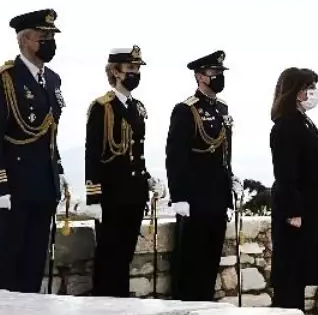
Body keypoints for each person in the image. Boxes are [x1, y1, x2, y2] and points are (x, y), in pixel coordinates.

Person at [0, 8, 69, 293]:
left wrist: (59, 172)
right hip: (13, 187)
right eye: (42, 37)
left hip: (43, 186)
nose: (49, 42)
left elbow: (50, 134)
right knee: (7, 264)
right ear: (23, 41)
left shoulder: (53, 80)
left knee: (33, 265)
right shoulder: (4, 79)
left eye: (51, 37)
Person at [82, 46, 167, 297]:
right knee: (109, 257)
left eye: (138, 69)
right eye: (130, 69)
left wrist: (148, 178)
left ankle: (121, 304)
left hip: (133, 194)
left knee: (125, 257)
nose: (135, 74)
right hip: (111, 196)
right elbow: (93, 153)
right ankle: (105, 307)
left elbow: (134, 152)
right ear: (115, 72)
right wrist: (93, 197)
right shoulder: (102, 107)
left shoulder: (138, 108)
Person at [165, 50, 240, 302]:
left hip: (217, 197)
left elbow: (224, 155)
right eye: (213, 73)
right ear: (199, 76)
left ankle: (206, 308)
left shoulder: (221, 109)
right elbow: (176, 155)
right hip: (194, 199)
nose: (218, 77)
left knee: (210, 260)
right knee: (190, 262)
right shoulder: (186, 110)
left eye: (220, 72)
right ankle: (186, 310)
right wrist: (179, 196)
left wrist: (230, 188)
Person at [269, 67, 318, 315]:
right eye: (309, 87)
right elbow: (286, 173)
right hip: (296, 210)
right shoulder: (286, 126)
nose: (313, 93)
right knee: (290, 277)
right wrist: (293, 211)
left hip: (313, 206)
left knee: (299, 274)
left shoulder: (302, 122)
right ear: (296, 91)